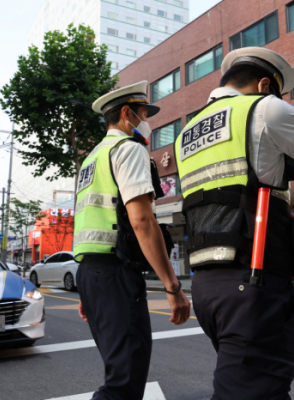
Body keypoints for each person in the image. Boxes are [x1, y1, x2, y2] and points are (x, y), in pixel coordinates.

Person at [174, 47, 294, 399]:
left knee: (252, 386)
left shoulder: (186, 135)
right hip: (253, 281)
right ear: (265, 84)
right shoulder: (264, 107)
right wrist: (287, 172)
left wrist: (280, 180)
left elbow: (241, 180)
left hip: (207, 286)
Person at [74, 81, 191, 400]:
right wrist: (173, 287)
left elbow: (89, 219)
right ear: (126, 114)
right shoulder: (129, 149)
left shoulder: (92, 158)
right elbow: (142, 220)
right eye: (143, 114)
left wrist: (90, 291)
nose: (147, 122)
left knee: (119, 372)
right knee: (124, 383)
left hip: (92, 274)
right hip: (115, 275)